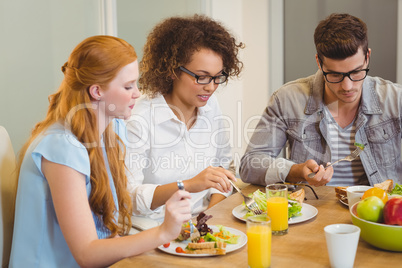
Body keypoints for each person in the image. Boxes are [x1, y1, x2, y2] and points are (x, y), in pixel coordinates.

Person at [10, 35, 191, 267]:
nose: (137, 93)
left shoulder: (110, 129)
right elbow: (87, 254)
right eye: (128, 86)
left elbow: (104, 231)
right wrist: (163, 232)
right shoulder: (61, 148)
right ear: (96, 91)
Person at [240, 13, 402, 187]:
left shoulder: (396, 99)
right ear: (319, 62)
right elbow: (250, 164)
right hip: (313, 210)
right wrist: (295, 171)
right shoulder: (287, 99)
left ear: (367, 57)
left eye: (356, 72)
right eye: (334, 75)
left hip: (378, 211)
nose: (347, 86)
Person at [125, 14, 243, 222]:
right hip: (154, 229)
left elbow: (222, 167)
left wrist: (208, 218)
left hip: (204, 221)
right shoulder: (139, 118)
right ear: (172, 71)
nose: (211, 87)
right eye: (202, 76)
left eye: (218, 77)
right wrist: (187, 184)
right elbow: (128, 197)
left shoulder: (209, 105)